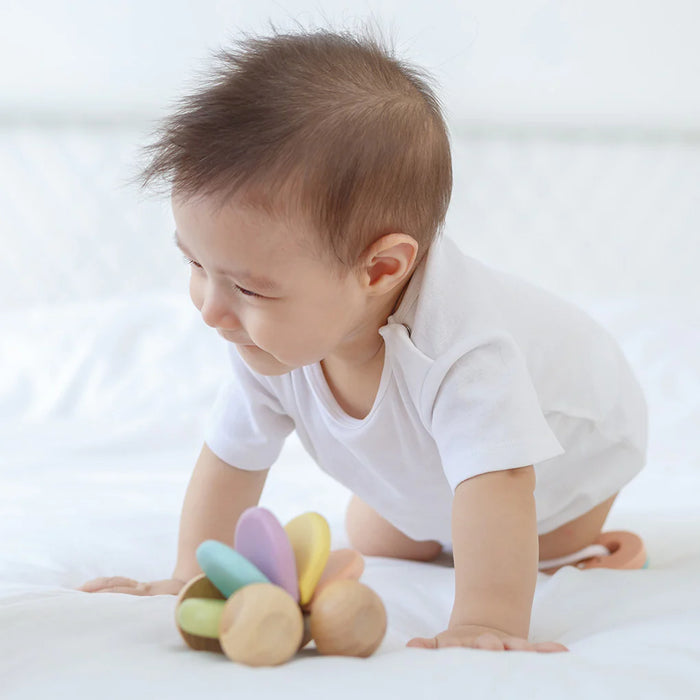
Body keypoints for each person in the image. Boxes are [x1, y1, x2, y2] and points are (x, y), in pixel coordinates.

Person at [79, 27, 648, 653]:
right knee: (373, 536)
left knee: (526, 535)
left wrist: (486, 620)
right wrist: (190, 577)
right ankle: (440, 526)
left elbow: (505, 480)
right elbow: (231, 457)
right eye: (195, 265)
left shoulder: (464, 350)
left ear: (380, 269)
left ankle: (584, 543)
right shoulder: (273, 338)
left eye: (249, 288)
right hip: (434, 469)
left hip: (567, 460)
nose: (212, 310)